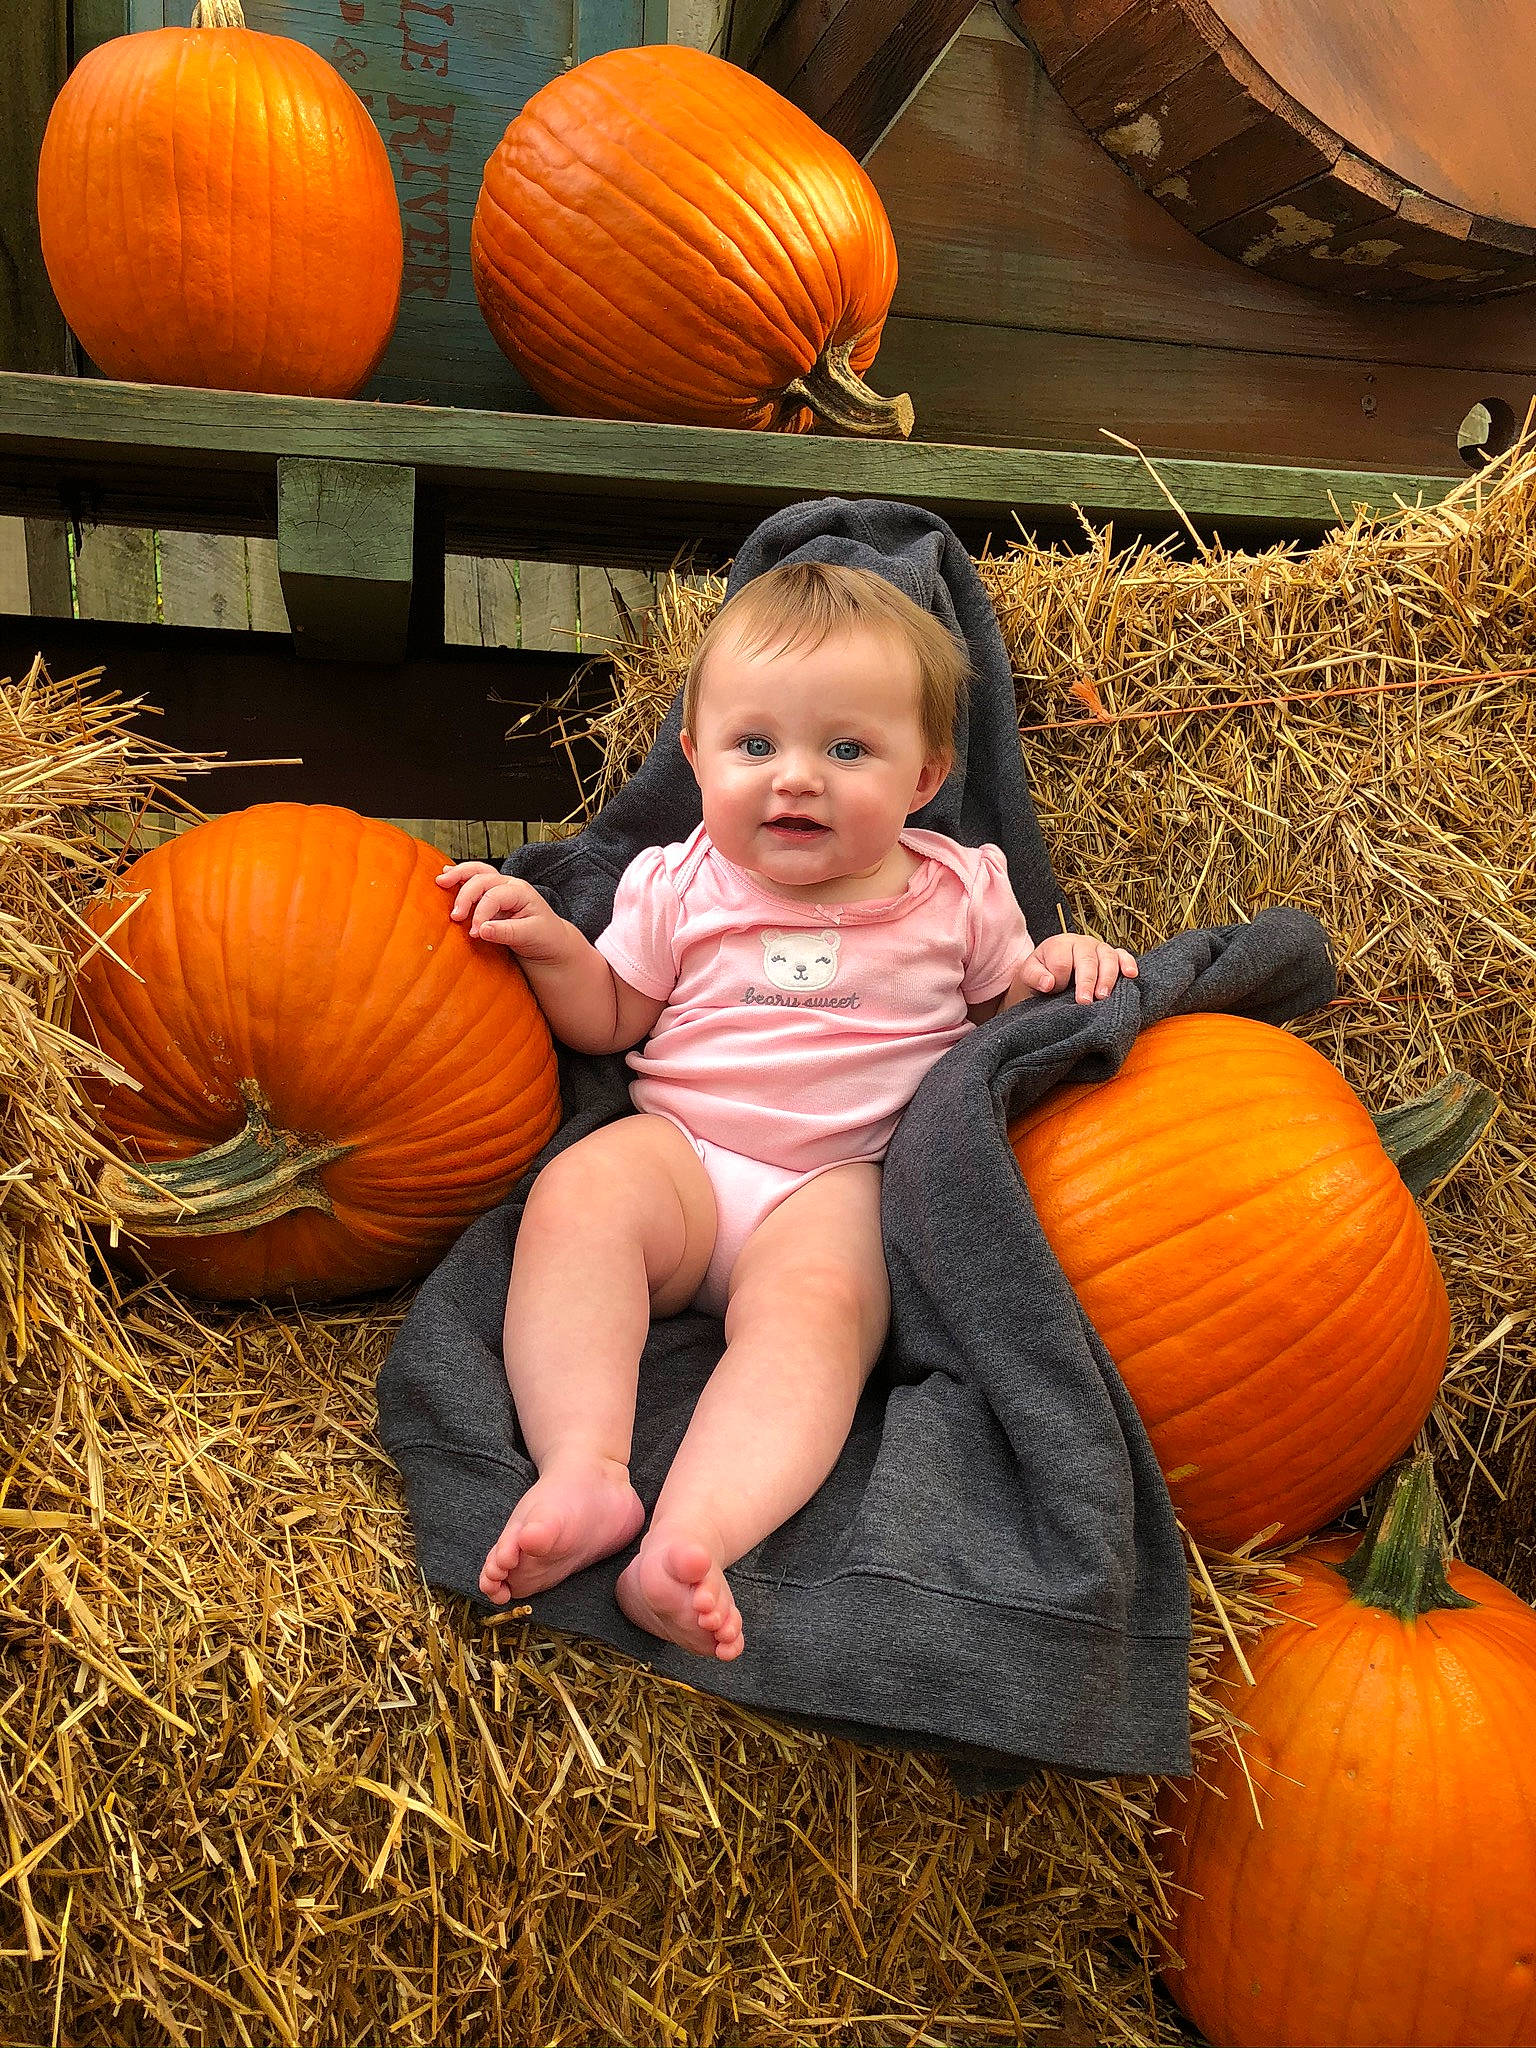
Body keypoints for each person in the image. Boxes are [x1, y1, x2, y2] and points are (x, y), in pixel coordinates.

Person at [436, 562, 1138, 1662]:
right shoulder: (679, 880)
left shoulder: (959, 890)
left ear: (927, 773)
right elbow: (613, 1017)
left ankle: (693, 1539)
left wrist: (1057, 962)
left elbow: (1008, 1019)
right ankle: (586, 1468)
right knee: (579, 1198)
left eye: (846, 750)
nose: (795, 779)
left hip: (836, 1180)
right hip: (685, 1151)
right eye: (755, 746)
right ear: (695, 758)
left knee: (821, 1317)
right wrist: (549, 942)